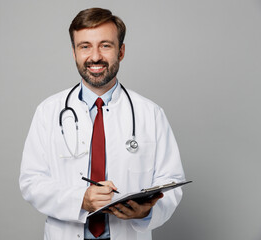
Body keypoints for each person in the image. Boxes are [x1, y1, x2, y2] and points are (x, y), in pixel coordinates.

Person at [19, 7, 185, 240]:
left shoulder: (150, 114)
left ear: (121, 51)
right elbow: (31, 182)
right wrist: (80, 199)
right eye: (85, 46)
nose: (95, 56)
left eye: (105, 45)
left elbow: (171, 182)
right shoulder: (48, 111)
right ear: (74, 52)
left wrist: (145, 213)